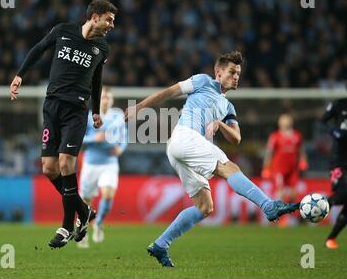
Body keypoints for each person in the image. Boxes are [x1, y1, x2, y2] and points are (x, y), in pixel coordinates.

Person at [125, 51, 299, 267]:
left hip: (179, 148)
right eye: (232, 72)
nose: (236, 77)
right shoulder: (202, 81)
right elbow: (169, 92)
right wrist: (140, 107)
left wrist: (220, 123)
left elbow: (236, 138)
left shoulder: (228, 107)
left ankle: (161, 244)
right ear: (218, 72)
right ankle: (268, 205)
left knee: (205, 207)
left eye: (238, 73)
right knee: (230, 168)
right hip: (185, 137)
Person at [9, 0, 118, 248]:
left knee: (66, 163)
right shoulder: (63, 31)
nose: (112, 25)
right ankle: (85, 211)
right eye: (109, 20)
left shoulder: (102, 48)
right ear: (94, 17)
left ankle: (66, 226)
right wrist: (19, 76)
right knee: (49, 168)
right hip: (52, 107)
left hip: (76, 111)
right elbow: (38, 49)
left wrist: (96, 111)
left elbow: (96, 80)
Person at [77, 86, 127, 248]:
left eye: (108, 97)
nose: (106, 100)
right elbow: (79, 139)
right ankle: (82, 232)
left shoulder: (118, 115)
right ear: (98, 99)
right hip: (91, 163)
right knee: (86, 201)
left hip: (110, 162)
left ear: (112, 100)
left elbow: (124, 138)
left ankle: (98, 223)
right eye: (103, 97)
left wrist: (121, 148)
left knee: (108, 195)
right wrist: (94, 139)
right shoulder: (89, 115)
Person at [262, 114, 308, 225]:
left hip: (293, 169)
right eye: (282, 121)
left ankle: (291, 217)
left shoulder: (297, 136)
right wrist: (266, 167)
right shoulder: (275, 136)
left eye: (286, 120)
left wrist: (303, 161)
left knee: (293, 194)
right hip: (279, 170)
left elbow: (301, 150)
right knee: (280, 193)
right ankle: (275, 218)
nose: (283, 123)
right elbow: (269, 152)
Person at [321, 99, 347, 249]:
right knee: (344, 191)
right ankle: (320, 205)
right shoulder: (339, 105)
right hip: (339, 160)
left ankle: (331, 239)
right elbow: (321, 122)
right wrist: (333, 131)